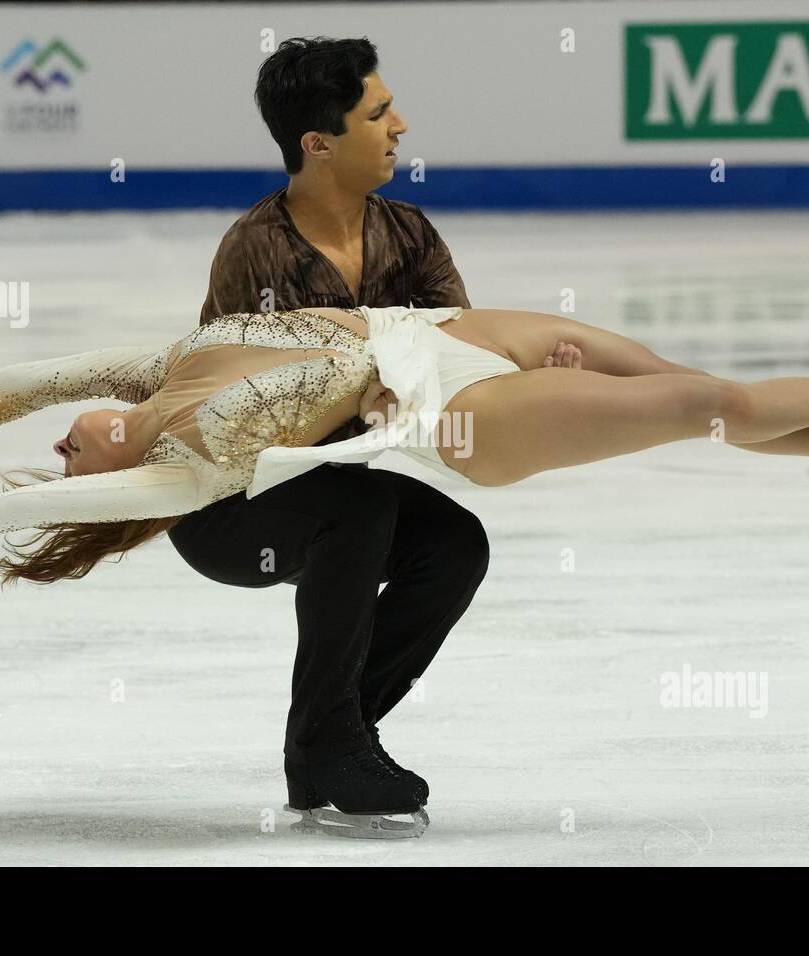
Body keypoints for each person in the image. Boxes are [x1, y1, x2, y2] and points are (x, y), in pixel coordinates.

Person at [0, 304, 809, 836]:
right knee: (704, 400)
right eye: (59, 460)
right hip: (450, 415)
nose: (60, 443)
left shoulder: (162, 369)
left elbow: (40, 378)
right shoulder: (178, 466)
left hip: (440, 333)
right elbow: (65, 494)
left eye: (71, 433)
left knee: (679, 387)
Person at [167, 36, 491, 838]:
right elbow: (237, 405)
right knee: (358, 516)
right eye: (378, 113)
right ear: (318, 144)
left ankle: (329, 738)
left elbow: (459, 349)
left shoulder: (409, 236)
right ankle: (331, 743)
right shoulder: (257, 250)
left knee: (453, 545)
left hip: (326, 478)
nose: (400, 125)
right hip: (224, 499)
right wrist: (361, 394)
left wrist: (527, 364)